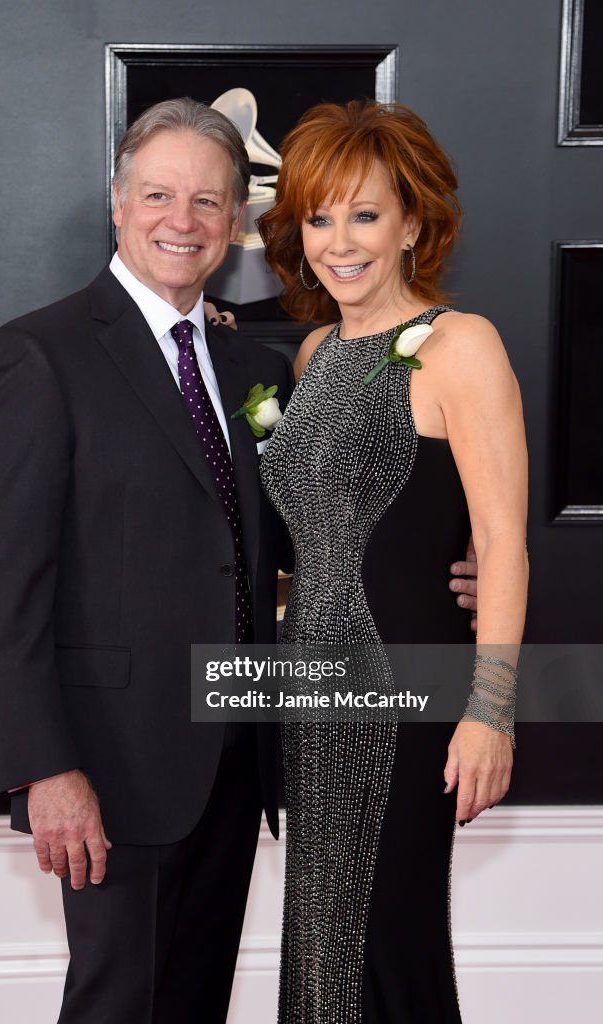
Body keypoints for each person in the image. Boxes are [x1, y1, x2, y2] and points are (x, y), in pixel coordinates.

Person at [0, 97, 295, 1024]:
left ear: (235, 222)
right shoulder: (37, 356)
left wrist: (449, 560)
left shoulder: (243, 367)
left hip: (232, 756)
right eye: (158, 195)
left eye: (208, 202)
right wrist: (43, 767)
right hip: (107, 766)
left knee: (192, 1007)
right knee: (117, 1007)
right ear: (117, 202)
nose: (181, 221)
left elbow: (272, 534)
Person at [258, 100, 528, 1022]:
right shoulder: (314, 353)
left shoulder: (461, 345)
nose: (339, 240)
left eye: (364, 214)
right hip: (311, 691)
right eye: (318, 216)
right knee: (320, 936)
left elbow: (498, 542)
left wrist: (489, 714)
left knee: (388, 933)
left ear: (413, 222)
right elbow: (317, 534)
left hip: (408, 692)